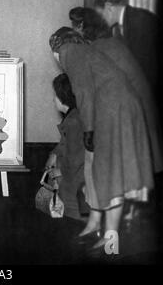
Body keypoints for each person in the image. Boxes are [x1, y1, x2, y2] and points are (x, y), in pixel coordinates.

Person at [49, 27, 154, 253]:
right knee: (93, 169)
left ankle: (110, 241)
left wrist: (89, 130)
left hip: (115, 114)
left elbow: (85, 92)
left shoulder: (69, 52)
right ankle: (95, 225)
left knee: (109, 176)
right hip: (112, 111)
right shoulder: (84, 52)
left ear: (56, 46)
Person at [69, 7, 163, 175]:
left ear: (82, 27)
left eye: (75, 27)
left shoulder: (99, 50)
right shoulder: (110, 44)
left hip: (133, 121)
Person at [94, 0, 160, 96]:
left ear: (109, 7)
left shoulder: (139, 19)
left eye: (101, 15)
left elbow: (145, 65)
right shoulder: (124, 22)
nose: (102, 20)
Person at [45, 73, 87, 220]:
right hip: (73, 184)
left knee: (73, 221)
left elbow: (76, 158)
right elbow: (65, 144)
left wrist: (58, 170)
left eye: (55, 95)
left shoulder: (73, 122)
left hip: (74, 189)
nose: (53, 99)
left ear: (63, 97)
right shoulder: (74, 117)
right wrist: (54, 154)